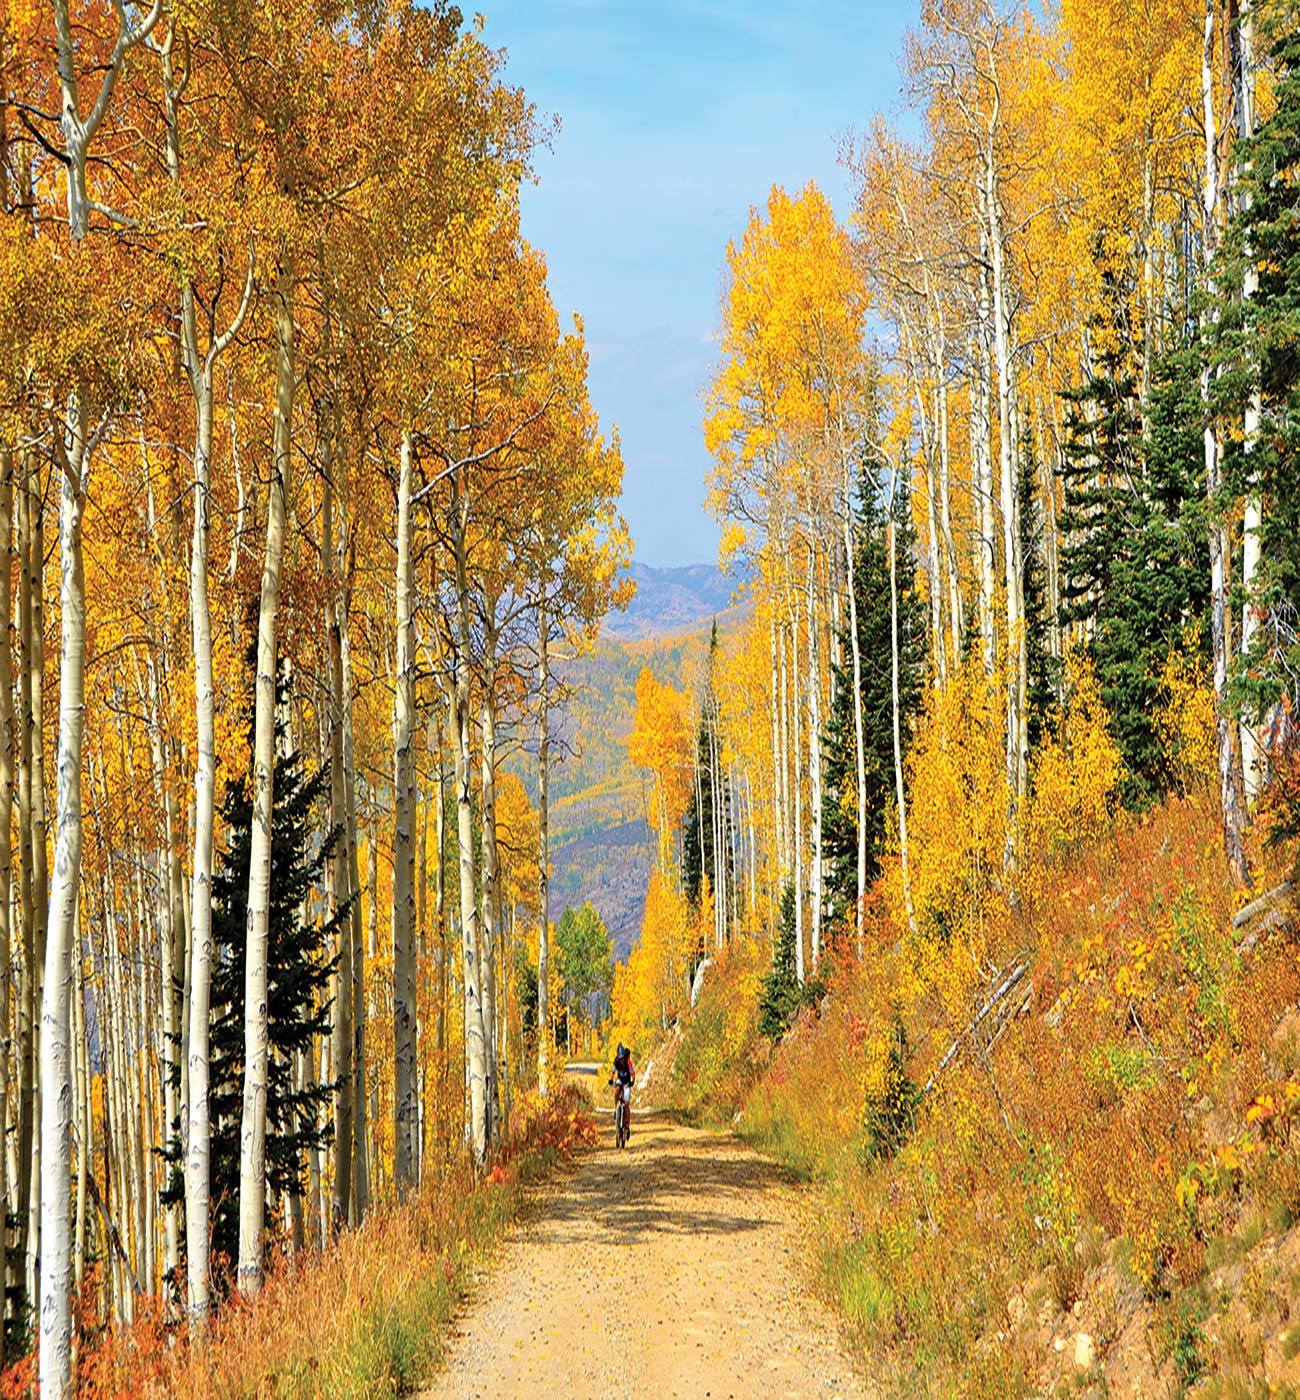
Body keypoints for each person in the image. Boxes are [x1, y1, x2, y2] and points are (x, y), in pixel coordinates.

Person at [610, 1042, 635, 1137]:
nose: (621, 1060)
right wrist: (610, 1079)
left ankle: (627, 1126)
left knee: (627, 1104)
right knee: (616, 1091)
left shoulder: (628, 1061)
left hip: (627, 1082)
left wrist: (632, 1082)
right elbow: (612, 1071)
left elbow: (633, 1074)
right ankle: (616, 1109)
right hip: (620, 1080)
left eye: (622, 1058)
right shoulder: (616, 1061)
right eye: (620, 1058)